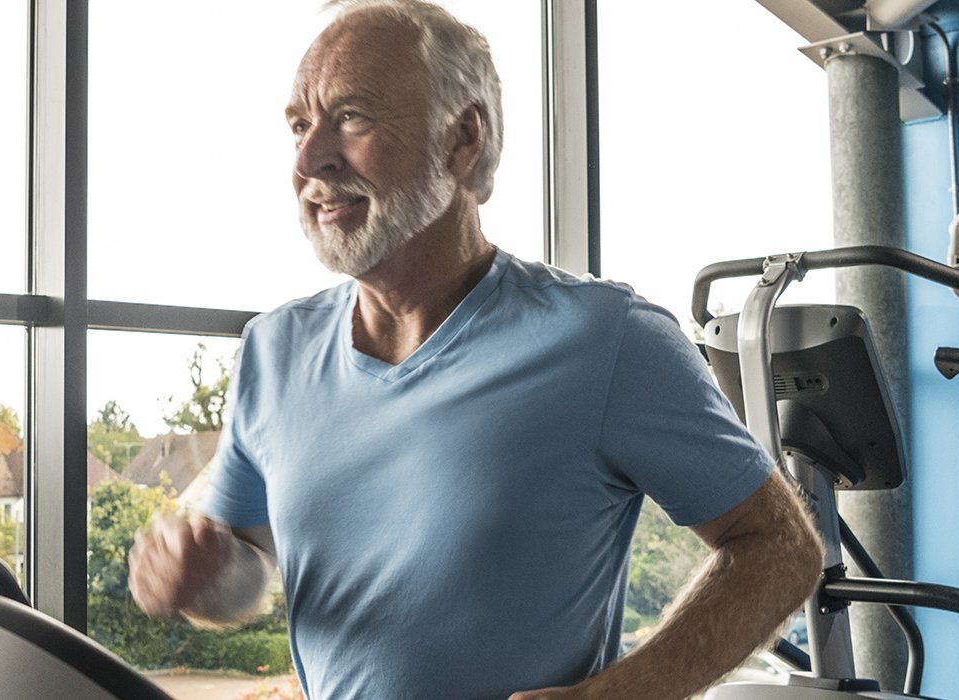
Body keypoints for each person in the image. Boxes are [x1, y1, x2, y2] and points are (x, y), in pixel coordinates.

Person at [127, 1, 824, 698]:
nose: (310, 160)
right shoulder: (273, 351)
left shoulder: (607, 339)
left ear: (461, 140)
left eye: (352, 117)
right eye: (300, 126)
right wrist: (206, 577)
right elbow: (253, 560)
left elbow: (780, 550)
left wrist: (625, 693)